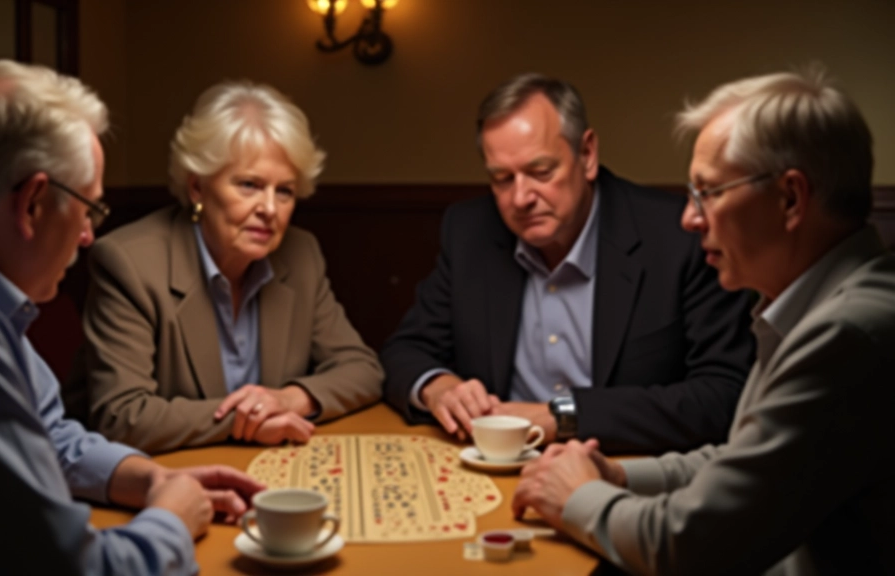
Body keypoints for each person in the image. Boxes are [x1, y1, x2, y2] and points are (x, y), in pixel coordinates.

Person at [0, 60, 265, 575]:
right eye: (90, 210)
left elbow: (48, 433)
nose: (88, 237)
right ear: (33, 202)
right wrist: (171, 521)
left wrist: (150, 479)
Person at [511, 68, 894, 575]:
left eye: (708, 192)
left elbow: (687, 545)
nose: (690, 219)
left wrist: (577, 495)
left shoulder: (847, 335)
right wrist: (617, 474)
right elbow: (742, 464)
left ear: (790, 199)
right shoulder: (816, 305)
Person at [381, 73, 754, 454]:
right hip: (493, 465)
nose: (521, 197)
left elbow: (722, 394)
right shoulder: (470, 233)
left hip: (625, 473)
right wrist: (438, 387)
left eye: (541, 172)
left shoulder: (680, 237)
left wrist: (565, 417)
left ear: (587, 154)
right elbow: (405, 350)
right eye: (502, 179)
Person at [71, 80, 383, 453]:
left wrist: (290, 399)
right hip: (169, 478)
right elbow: (122, 416)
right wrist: (245, 419)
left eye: (284, 190)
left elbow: (363, 369)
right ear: (198, 188)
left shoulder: (301, 255)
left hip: (268, 473)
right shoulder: (130, 263)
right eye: (249, 185)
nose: (269, 208)